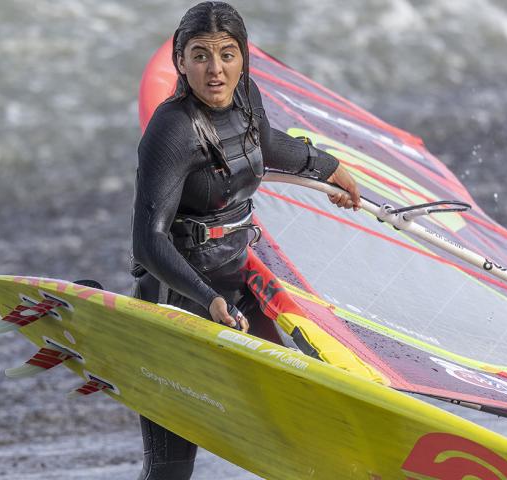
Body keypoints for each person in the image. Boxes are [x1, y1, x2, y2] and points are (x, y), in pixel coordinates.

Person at [130, 2, 362, 479]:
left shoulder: (245, 96)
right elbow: (147, 243)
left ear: (243, 58)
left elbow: (264, 141)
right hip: (180, 302)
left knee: (290, 426)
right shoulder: (171, 130)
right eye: (200, 56)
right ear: (181, 61)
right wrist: (208, 298)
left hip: (240, 286)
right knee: (171, 468)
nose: (216, 71)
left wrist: (327, 167)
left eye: (227, 55)